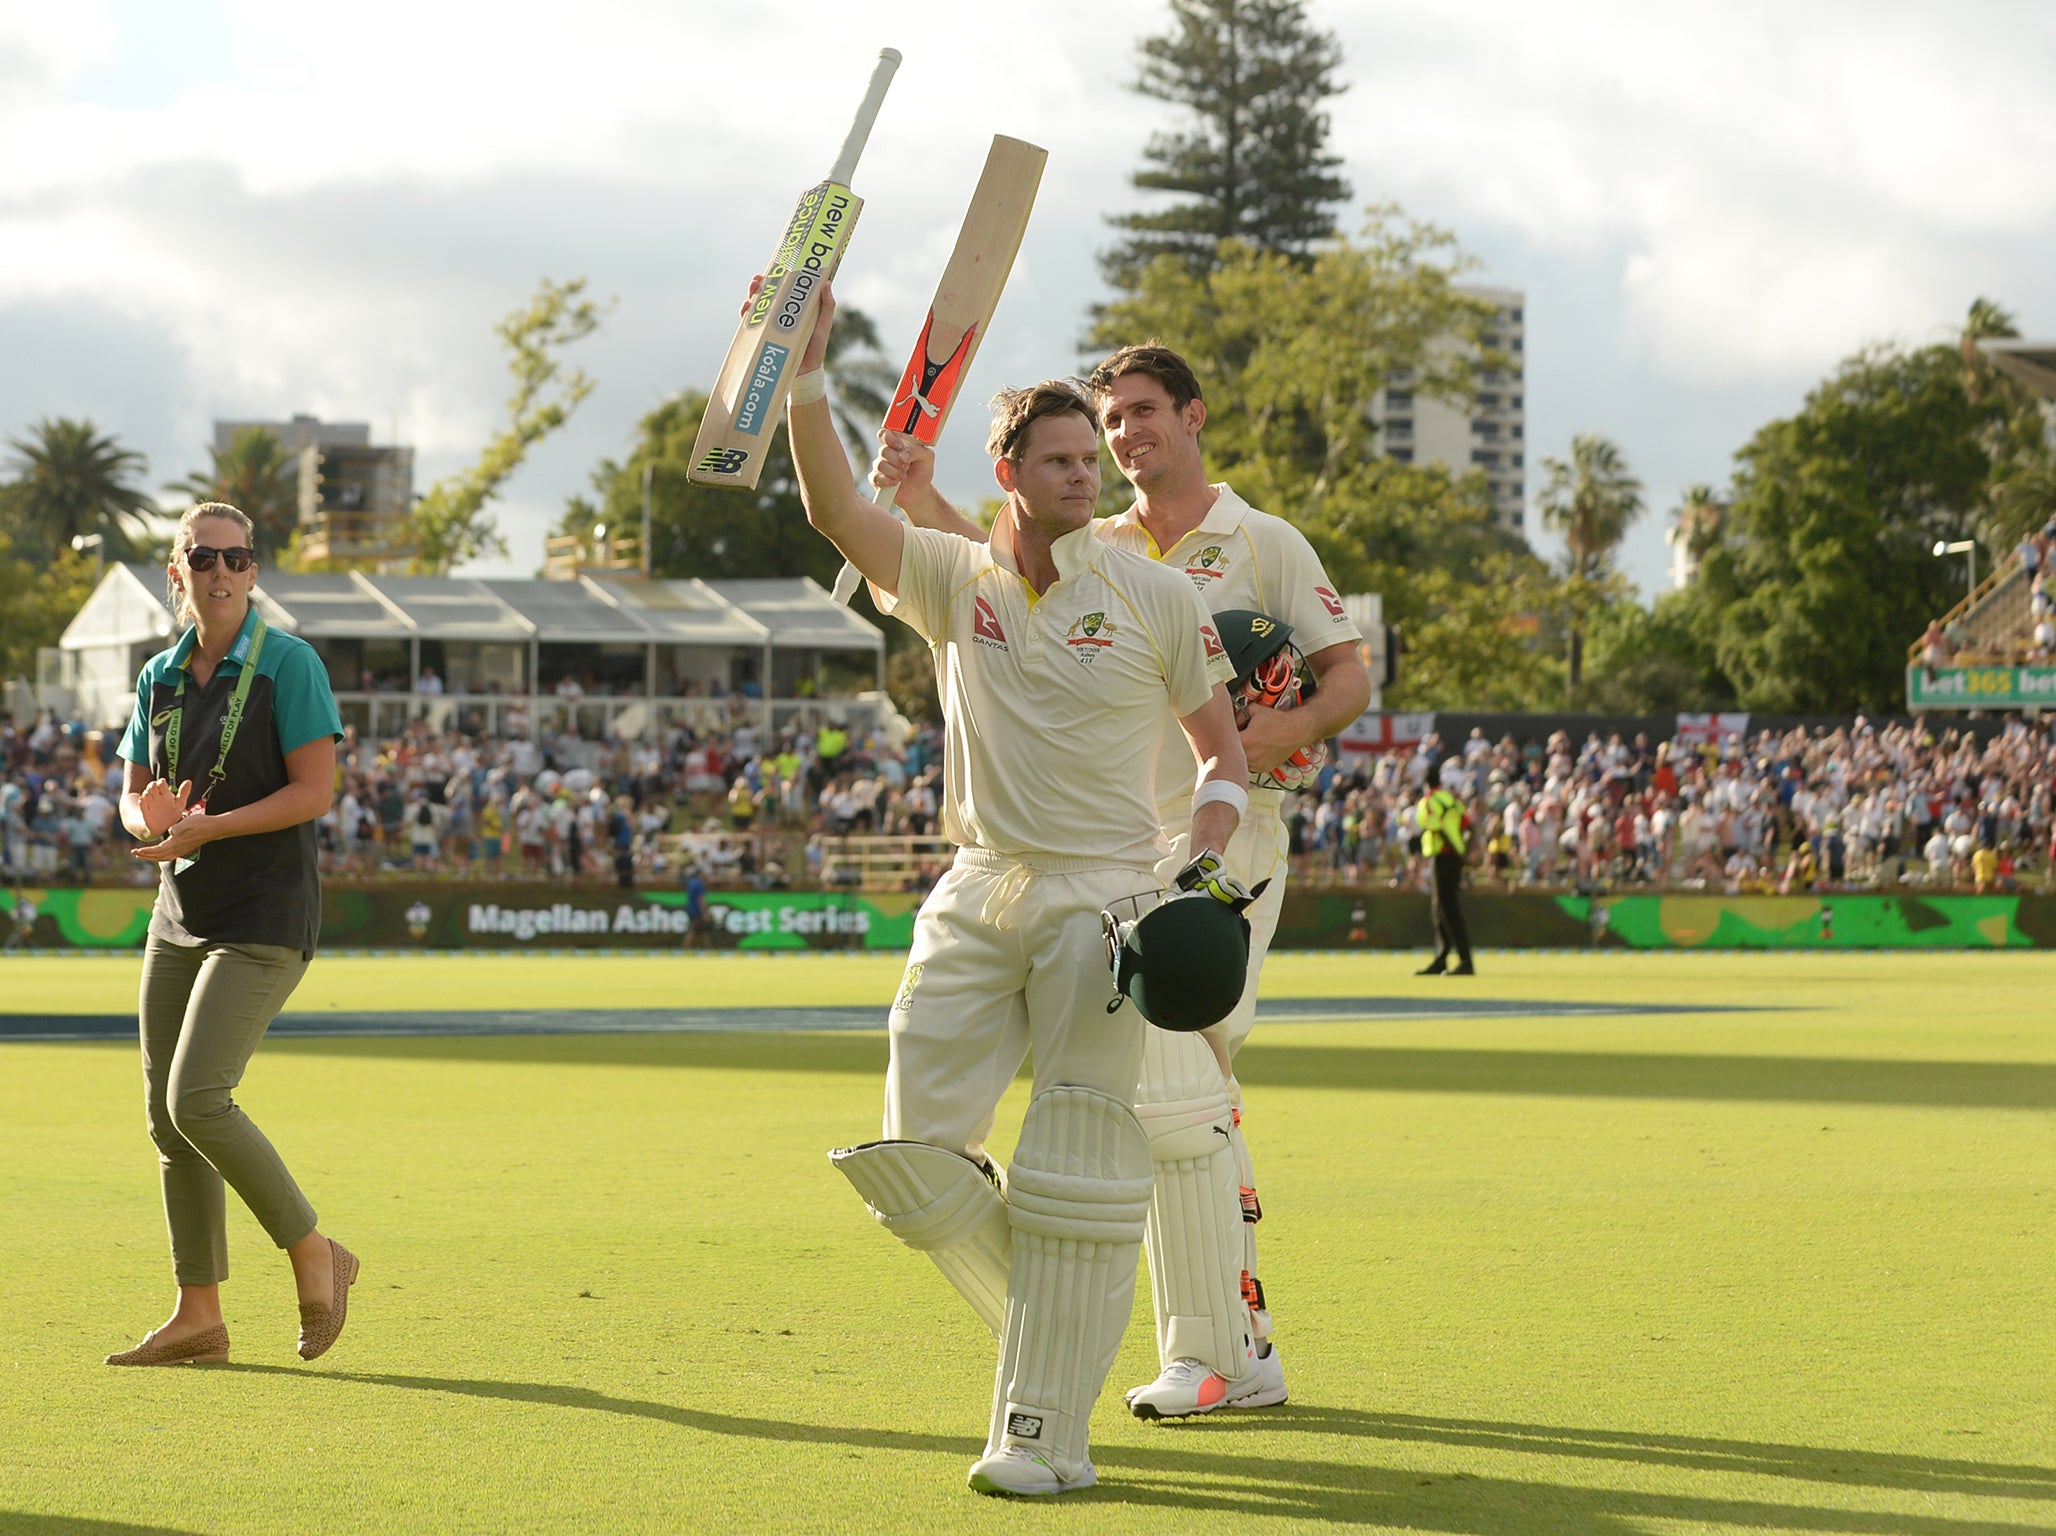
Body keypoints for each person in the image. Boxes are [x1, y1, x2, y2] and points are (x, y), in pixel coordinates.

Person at [787, 286, 1249, 1497]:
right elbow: (837, 508)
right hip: (978, 886)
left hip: (1107, 902)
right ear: (1006, 471)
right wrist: (800, 380)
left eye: (1088, 456)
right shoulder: (953, 580)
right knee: (908, 1161)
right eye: (1056, 459)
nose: (1085, 475)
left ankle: (1042, 1434)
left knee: (1078, 1170)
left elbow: (1220, 758)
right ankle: (1060, 1329)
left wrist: (1200, 857)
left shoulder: (1155, 593)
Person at [871, 341, 1371, 1421]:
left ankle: (1215, 1354)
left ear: (1192, 418)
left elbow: (1347, 677)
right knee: (1146, 1100)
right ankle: (1223, 1351)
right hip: (1096, 847)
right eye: (1111, 421)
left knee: (1176, 1090)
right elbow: (986, 581)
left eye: (1144, 412)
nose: (1124, 434)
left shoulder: (1262, 541)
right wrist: (917, 495)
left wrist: (1250, 748)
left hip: (1223, 838)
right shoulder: (1092, 540)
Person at [105, 501, 357, 1368]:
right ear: (176, 574)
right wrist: (148, 813)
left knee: (196, 1098)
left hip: (264, 914)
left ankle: (313, 1251)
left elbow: (314, 792)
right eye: (201, 559)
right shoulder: (159, 677)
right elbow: (131, 789)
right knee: (166, 1120)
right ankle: (198, 1315)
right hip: (180, 914)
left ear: (253, 574)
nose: (219, 573)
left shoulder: (290, 664)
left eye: (236, 559)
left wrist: (209, 828)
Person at [1416, 758, 1475, 974]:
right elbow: (1470, 826)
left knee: (1447, 910)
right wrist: (1465, 851)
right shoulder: (1449, 798)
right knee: (1441, 908)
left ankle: (1464, 961)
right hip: (1454, 857)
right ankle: (1443, 957)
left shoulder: (1430, 801)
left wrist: (1457, 851)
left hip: (1443, 856)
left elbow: (1437, 829)